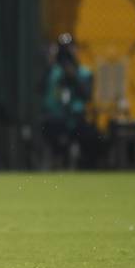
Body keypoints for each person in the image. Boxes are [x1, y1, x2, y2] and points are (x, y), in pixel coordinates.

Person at [41, 33, 96, 168]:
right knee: (52, 135)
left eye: (70, 48)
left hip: (77, 118)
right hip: (56, 119)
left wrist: (74, 77)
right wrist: (51, 62)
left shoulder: (84, 73)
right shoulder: (53, 72)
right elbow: (41, 90)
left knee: (90, 138)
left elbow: (87, 96)